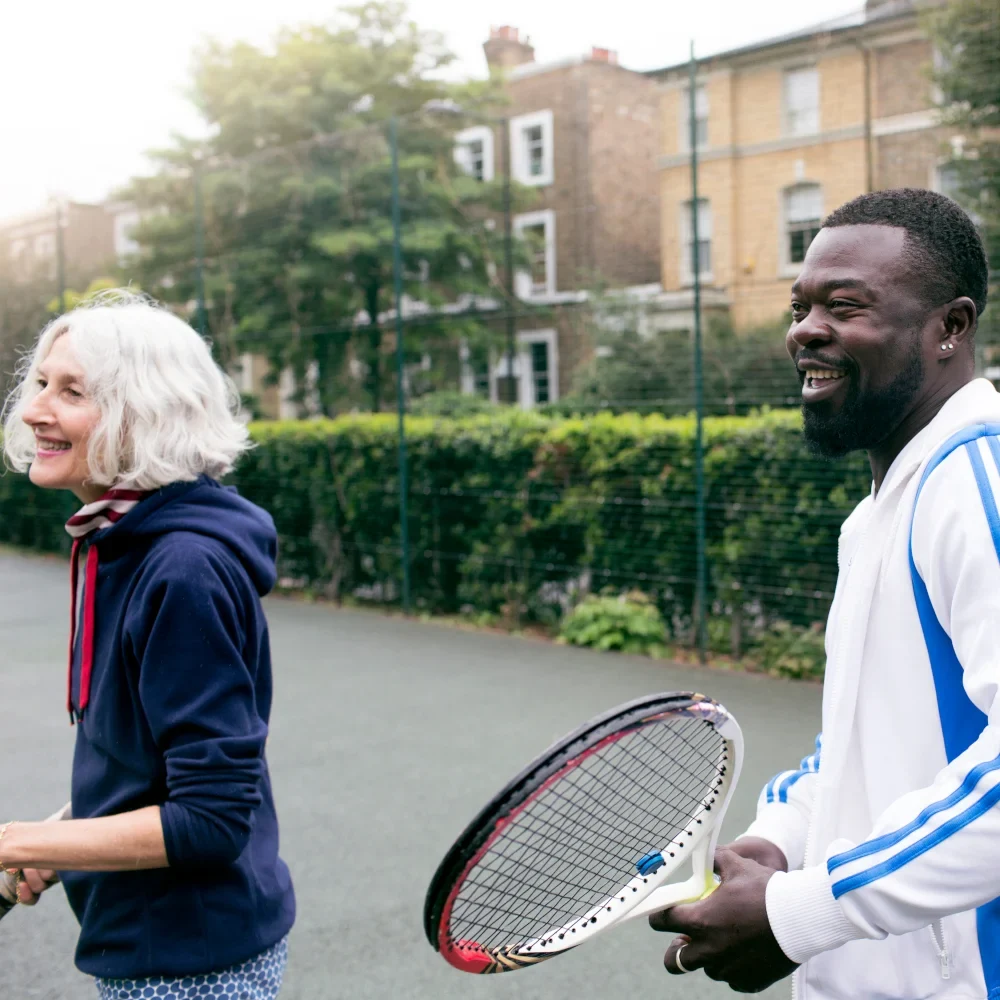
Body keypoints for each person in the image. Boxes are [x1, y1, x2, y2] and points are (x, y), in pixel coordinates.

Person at [648, 188, 999, 999]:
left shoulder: (977, 484)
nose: (806, 329)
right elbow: (863, 744)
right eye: (800, 306)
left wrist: (800, 913)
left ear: (950, 327)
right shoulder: (876, 512)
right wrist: (780, 841)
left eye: (846, 306)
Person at [0, 292, 295, 1000]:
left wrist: (13, 842)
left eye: (72, 391)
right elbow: (153, 766)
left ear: (144, 413)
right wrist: (60, 839)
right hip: (156, 941)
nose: (37, 408)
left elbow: (212, 818)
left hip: (190, 961)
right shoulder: (120, 543)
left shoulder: (181, 568)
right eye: (41, 383)